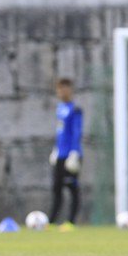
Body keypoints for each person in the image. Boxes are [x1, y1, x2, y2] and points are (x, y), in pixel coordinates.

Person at [48, 78, 83, 232]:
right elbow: (60, 133)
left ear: (70, 90)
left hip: (72, 155)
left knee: (72, 188)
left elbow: (76, 132)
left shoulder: (75, 109)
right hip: (60, 155)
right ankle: (51, 221)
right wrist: (55, 150)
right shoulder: (60, 108)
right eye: (59, 89)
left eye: (64, 89)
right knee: (56, 188)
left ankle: (71, 222)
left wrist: (74, 153)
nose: (61, 92)